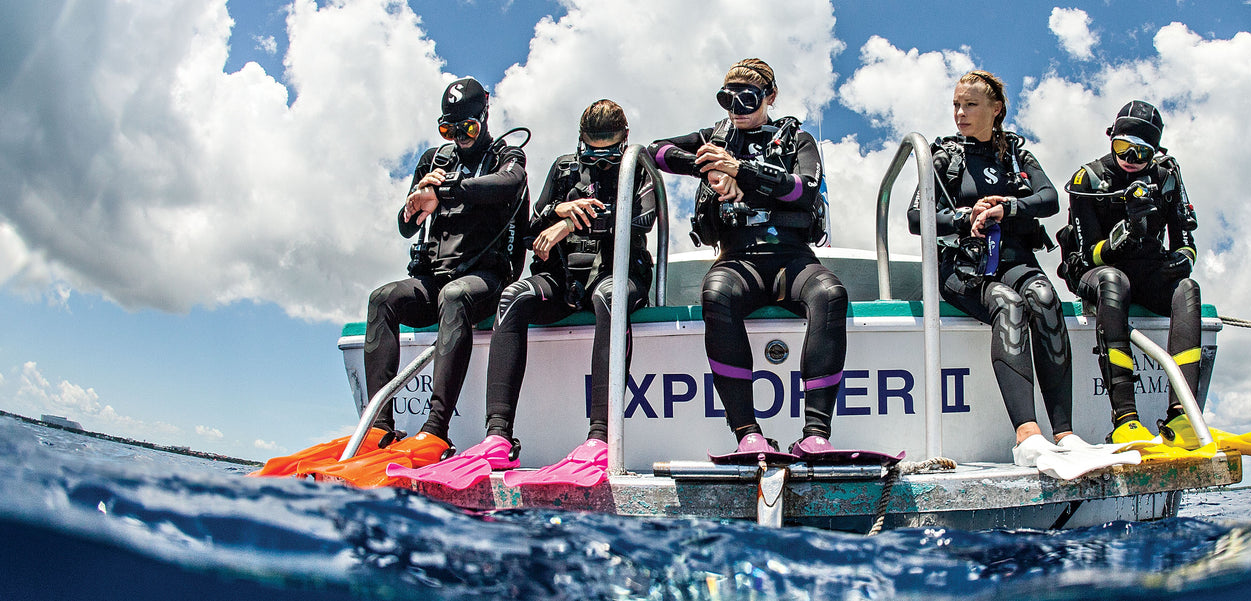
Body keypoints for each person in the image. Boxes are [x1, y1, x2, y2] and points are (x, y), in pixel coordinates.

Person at [264, 77, 528, 487]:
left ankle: (436, 430)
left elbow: (509, 184)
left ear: (484, 116)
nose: (458, 138)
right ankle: (379, 428)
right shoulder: (433, 161)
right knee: (382, 298)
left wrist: (452, 190)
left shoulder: (505, 156)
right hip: (433, 280)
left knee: (456, 297)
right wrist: (415, 204)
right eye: (449, 129)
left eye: (467, 129)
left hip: (483, 280)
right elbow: (407, 227)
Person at [647, 58, 848, 458]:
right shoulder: (715, 136)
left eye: (748, 100)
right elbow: (657, 152)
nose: (736, 110)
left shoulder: (797, 141)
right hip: (738, 259)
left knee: (831, 294)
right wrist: (707, 168)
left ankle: (816, 433)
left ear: (771, 97)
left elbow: (803, 190)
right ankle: (747, 432)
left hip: (792, 258)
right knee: (716, 294)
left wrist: (741, 171)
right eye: (728, 100)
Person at [469, 99, 657, 488]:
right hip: (563, 279)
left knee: (609, 297)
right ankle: (498, 436)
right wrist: (559, 210)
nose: (600, 159)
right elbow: (530, 229)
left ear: (625, 139)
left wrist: (571, 224)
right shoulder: (564, 168)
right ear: (579, 141)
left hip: (615, 274)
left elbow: (643, 220)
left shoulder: (638, 167)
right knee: (515, 296)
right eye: (592, 150)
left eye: (609, 151)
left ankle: (600, 437)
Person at [906, 70, 1074, 467]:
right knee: (1009, 305)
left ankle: (1066, 434)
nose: (960, 113)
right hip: (964, 269)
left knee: (1044, 298)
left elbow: (1049, 198)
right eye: (956, 105)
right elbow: (916, 218)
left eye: (970, 105)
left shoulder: (1015, 154)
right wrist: (965, 217)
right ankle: (1027, 436)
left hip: (1015, 259)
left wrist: (1009, 207)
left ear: (995, 109)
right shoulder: (944, 156)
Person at [1057, 100, 1202, 445]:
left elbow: (1185, 239)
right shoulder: (1088, 179)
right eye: (1123, 148)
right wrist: (1126, 234)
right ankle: (1125, 417)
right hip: (1099, 270)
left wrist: (1183, 259)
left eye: (1141, 153)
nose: (1130, 159)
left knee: (1188, 289)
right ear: (1111, 139)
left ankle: (1183, 416)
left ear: (1155, 152)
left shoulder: (1166, 179)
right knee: (1113, 280)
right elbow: (1088, 252)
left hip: (1146, 271)